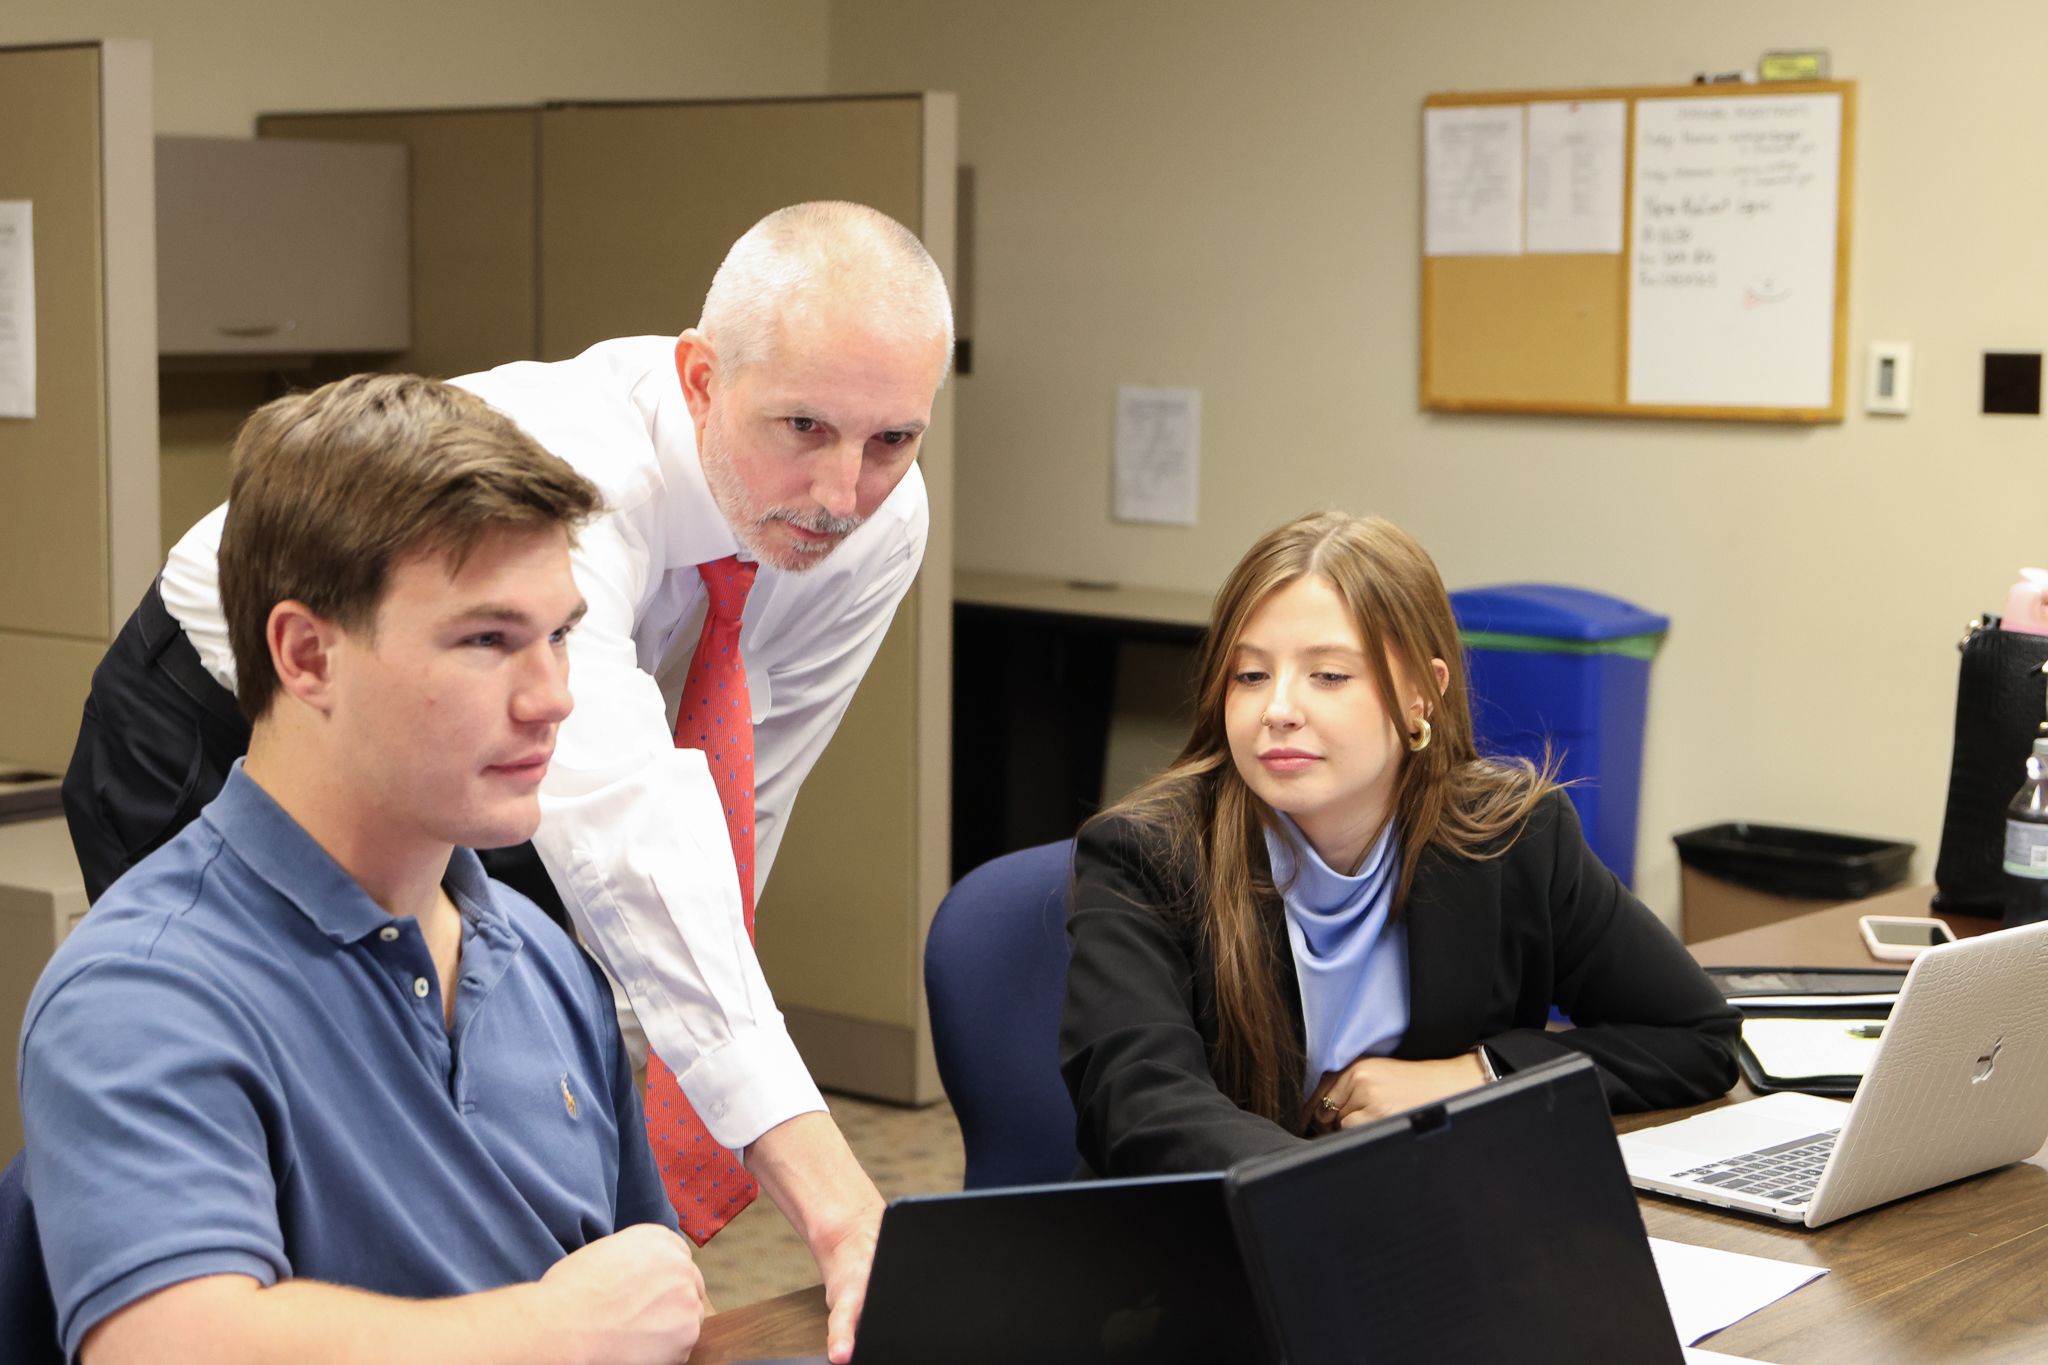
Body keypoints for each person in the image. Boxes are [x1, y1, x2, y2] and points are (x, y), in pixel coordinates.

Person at [62, 201, 952, 1359]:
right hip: (220, 713)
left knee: (523, 1077)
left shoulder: (870, 525)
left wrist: (666, 1053)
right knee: (333, 1159)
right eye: (801, 428)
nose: (844, 494)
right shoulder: (567, 483)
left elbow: (728, 798)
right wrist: (827, 1197)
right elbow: (624, 828)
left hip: (481, 798)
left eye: (891, 441)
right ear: (697, 378)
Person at [20, 374, 708, 1364]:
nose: (552, 697)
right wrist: (558, 1332)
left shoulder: (546, 968)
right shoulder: (143, 991)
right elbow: (169, 1345)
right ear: (306, 656)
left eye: (557, 636)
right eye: (487, 640)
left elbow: (652, 1304)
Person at [1061, 511, 1739, 1176]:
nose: (1279, 709)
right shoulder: (1145, 854)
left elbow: (1693, 1036)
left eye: (1328, 674)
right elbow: (1141, 1102)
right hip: (1213, 1242)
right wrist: (1341, 1189)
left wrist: (1479, 1072)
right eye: (1250, 674)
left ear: (1421, 696)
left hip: (1439, 1216)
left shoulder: (1512, 835)